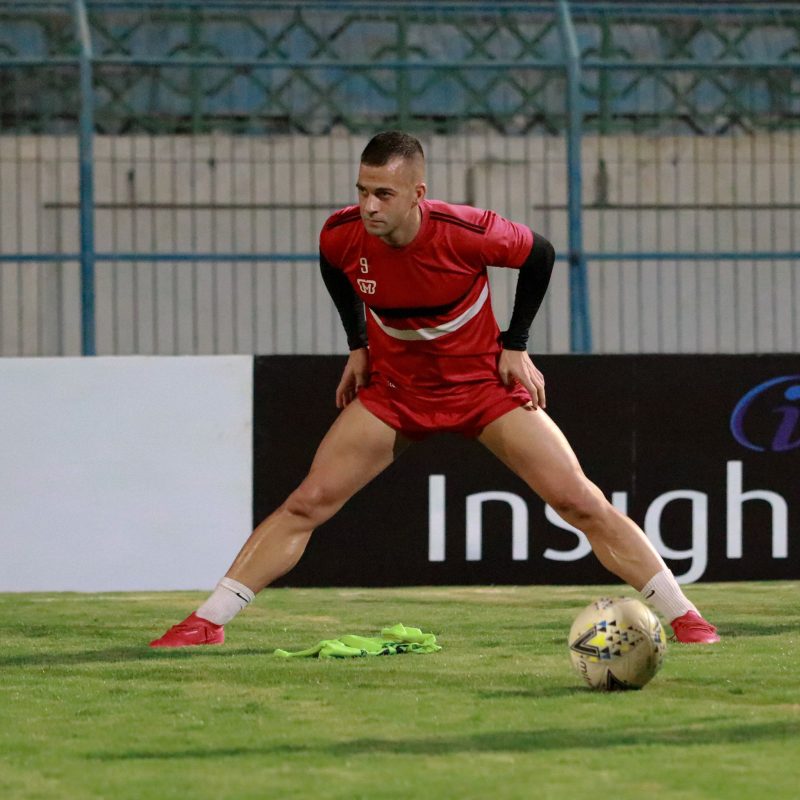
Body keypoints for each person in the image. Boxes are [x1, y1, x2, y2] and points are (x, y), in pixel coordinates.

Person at [151, 131, 719, 648]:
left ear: (417, 192)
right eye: (362, 190)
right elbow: (332, 267)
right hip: (396, 392)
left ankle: (685, 616)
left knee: (578, 500)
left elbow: (540, 254)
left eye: (384, 194)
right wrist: (358, 344)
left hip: (482, 388)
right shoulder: (342, 234)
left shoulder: (468, 232)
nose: (369, 206)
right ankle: (206, 622)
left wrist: (515, 343)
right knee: (308, 502)